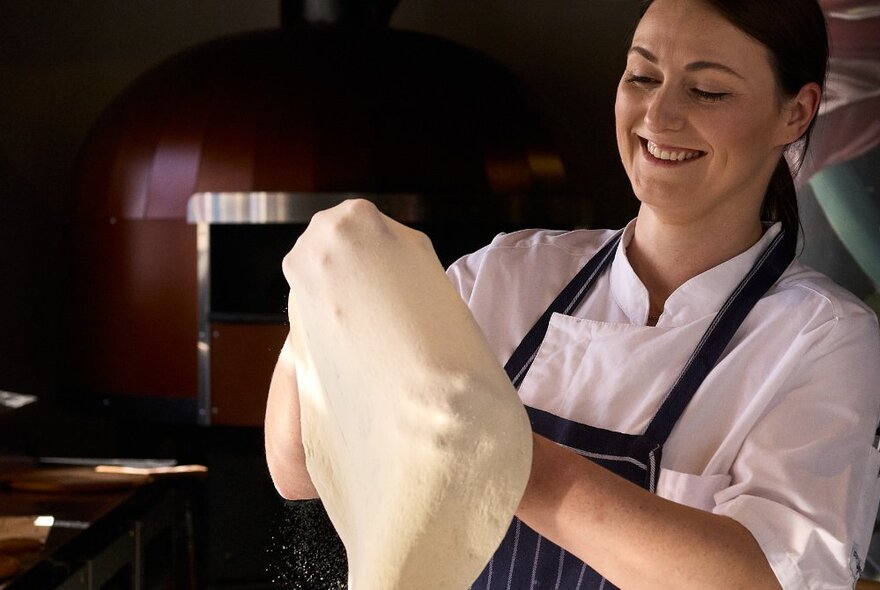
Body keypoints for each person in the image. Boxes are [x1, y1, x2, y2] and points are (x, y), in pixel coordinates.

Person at [265, 0, 880, 588]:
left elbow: (765, 579)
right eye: (642, 76)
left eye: (707, 90)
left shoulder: (821, 338)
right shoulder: (502, 277)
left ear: (795, 113)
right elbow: (300, 474)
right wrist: (322, 310)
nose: (658, 117)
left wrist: (499, 456)